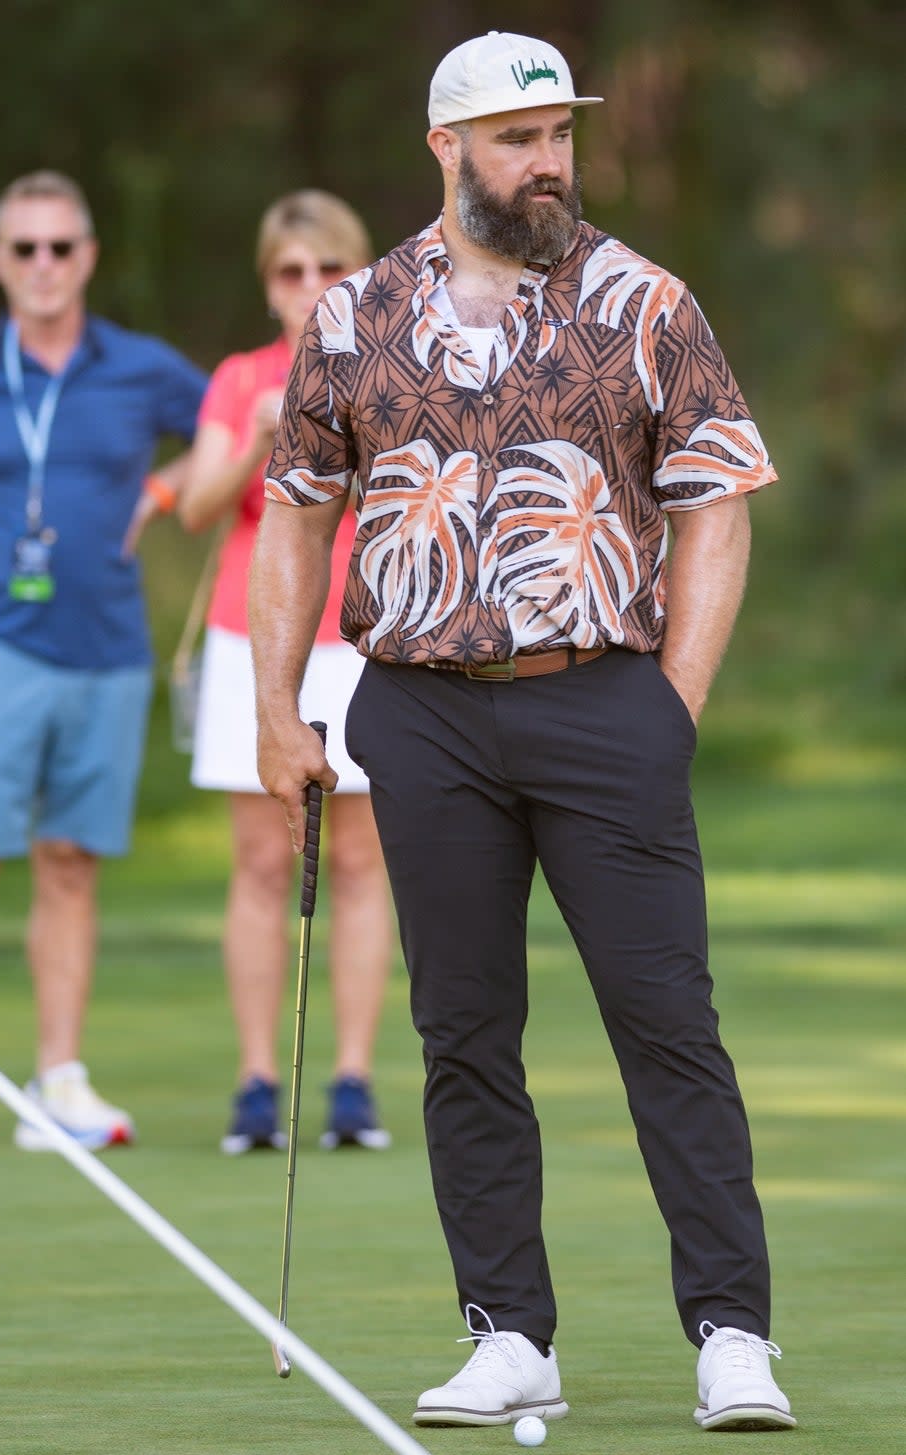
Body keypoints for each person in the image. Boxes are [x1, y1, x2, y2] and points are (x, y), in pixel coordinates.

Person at [249, 30, 798, 1434]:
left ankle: (733, 1333)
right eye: (513, 137)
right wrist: (274, 711)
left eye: (557, 133)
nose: (544, 160)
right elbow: (296, 517)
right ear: (444, 148)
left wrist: (666, 706)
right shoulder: (354, 315)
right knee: (461, 1031)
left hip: (604, 695)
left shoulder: (644, 301)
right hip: (419, 712)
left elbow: (715, 503)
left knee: (667, 1024)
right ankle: (507, 1332)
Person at [0, 170, 207, 1154]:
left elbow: (242, 424)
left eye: (61, 247)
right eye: (24, 249)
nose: (43, 265)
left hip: (108, 654)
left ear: (87, 257)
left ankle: (59, 1082)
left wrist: (170, 491)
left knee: (70, 866)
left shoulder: (139, 367)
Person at [179, 191, 393, 1154]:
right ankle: (257, 1081)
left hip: (364, 637)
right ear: (269, 283)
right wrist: (268, 430)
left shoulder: (389, 368)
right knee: (264, 860)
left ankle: (351, 1079)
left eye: (328, 269)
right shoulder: (239, 379)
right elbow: (195, 506)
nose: (309, 288)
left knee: (358, 860)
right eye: (289, 272)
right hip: (251, 638)